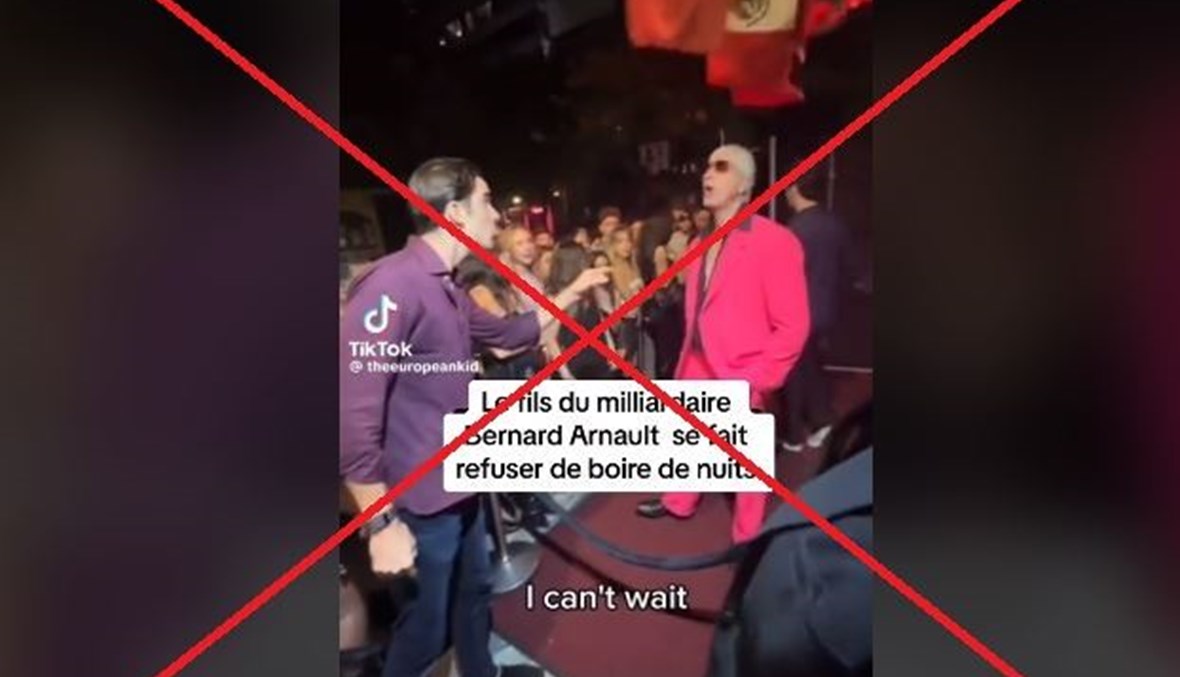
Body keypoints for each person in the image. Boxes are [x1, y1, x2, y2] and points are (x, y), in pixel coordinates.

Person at [339, 157, 608, 677]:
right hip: (419, 503)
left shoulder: (446, 285)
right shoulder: (393, 284)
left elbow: (510, 338)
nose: (498, 215)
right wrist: (380, 522)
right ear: (456, 212)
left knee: (474, 599)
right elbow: (352, 412)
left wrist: (572, 292)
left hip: (460, 484)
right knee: (426, 629)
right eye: (487, 201)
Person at [636, 144, 810, 543]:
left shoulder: (775, 241)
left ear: (745, 186)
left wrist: (760, 379)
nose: (707, 174)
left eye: (721, 167)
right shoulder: (699, 242)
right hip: (697, 360)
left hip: (744, 366)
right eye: (707, 167)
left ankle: (748, 536)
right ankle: (680, 498)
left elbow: (793, 325)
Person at [780, 159, 851, 451]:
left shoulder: (793, 230)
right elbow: (847, 269)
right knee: (809, 363)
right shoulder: (835, 223)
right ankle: (820, 419)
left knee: (793, 371)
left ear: (794, 188)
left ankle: (796, 433)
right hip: (827, 309)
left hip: (799, 312)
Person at [548, 242, 622, 379]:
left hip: (598, 359)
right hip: (574, 364)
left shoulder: (591, 289)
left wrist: (611, 351)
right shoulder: (557, 297)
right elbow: (551, 340)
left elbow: (601, 323)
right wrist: (565, 372)